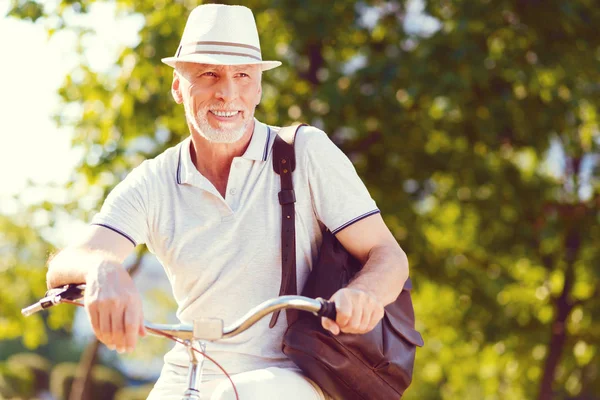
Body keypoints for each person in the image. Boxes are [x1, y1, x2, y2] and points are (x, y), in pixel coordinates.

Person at [46, 4, 409, 399]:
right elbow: (67, 265)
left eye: (242, 76)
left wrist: (365, 294)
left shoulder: (305, 153)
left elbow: (388, 255)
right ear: (177, 86)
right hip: (191, 366)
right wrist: (101, 269)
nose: (227, 92)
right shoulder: (154, 180)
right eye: (208, 74)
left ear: (258, 89)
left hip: (292, 373)